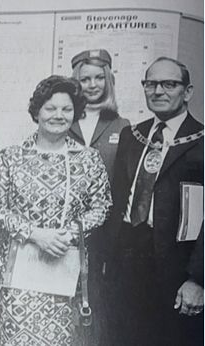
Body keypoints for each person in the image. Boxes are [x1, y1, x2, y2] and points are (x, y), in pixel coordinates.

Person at [0, 75, 111, 346]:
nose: (58, 115)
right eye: (50, 108)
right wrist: (35, 234)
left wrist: (70, 234)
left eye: (66, 109)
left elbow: (102, 206)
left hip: (66, 270)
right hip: (20, 273)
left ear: (75, 113)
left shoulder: (89, 160)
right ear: (37, 111)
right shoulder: (12, 157)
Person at [107, 57, 203, 346]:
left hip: (177, 270)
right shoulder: (131, 136)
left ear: (187, 92)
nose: (158, 91)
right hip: (126, 264)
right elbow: (117, 200)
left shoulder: (200, 140)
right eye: (151, 83)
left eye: (169, 84)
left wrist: (198, 279)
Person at [69, 49, 130, 345]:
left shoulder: (123, 126)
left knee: (102, 305)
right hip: (66, 232)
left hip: (106, 234)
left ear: (108, 80)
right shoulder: (61, 120)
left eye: (98, 78)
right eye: (84, 79)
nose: (92, 85)